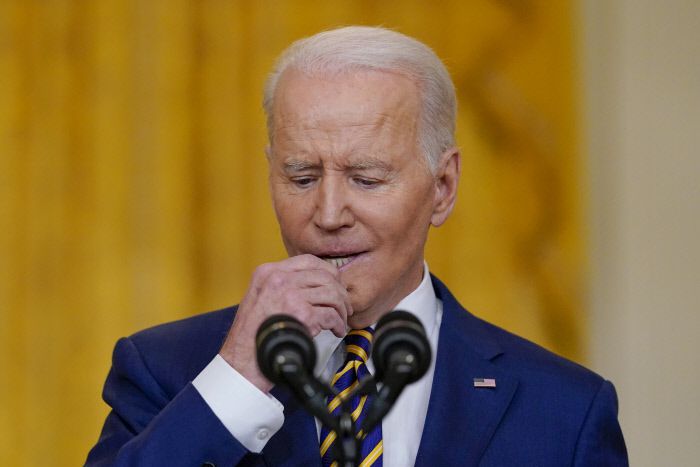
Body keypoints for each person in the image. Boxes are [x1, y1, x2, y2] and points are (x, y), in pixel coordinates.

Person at [86, 26, 628, 466]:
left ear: (443, 188)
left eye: (366, 179)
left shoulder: (564, 409)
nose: (328, 215)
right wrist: (238, 378)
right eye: (301, 177)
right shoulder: (163, 369)